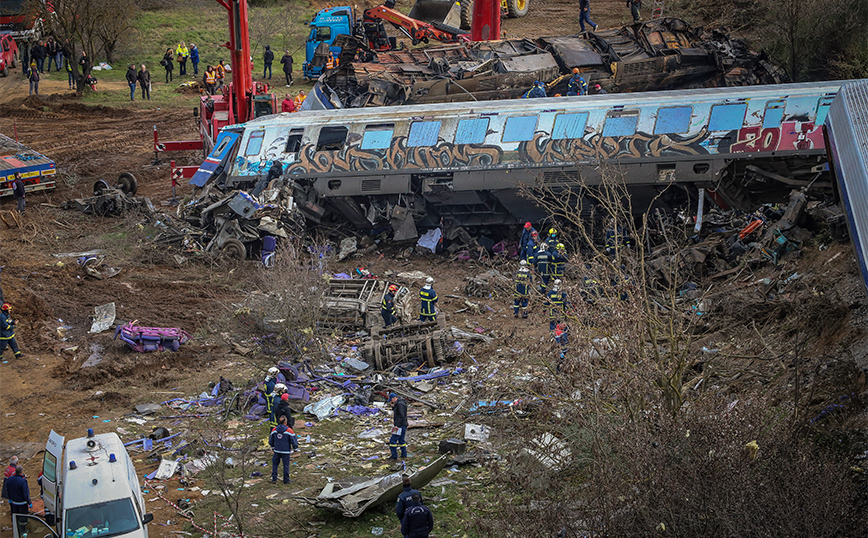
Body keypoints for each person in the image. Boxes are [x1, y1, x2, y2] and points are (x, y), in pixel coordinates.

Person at [269, 416, 298, 484]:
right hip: (285, 451)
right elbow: (293, 440)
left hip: (277, 450)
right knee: (286, 465)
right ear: (285, 422)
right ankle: (286, 480)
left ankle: (274, 479)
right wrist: (295, 448)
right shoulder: (289, 430)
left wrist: (273, 447)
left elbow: (271, 440)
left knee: (275, 465)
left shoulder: (274, 430)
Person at [388, 392, 408, 460]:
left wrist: (397, 425)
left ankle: (394, 456)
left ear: (394, 398)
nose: (391, 401)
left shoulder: (399, 404)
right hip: (403, 425)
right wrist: (393, 407)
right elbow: (399, 412)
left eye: (391, 400)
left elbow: (401, 415)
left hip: (400, 425)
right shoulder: (400, 403)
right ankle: (404, 454)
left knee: (392, 441)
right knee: (401, 440)